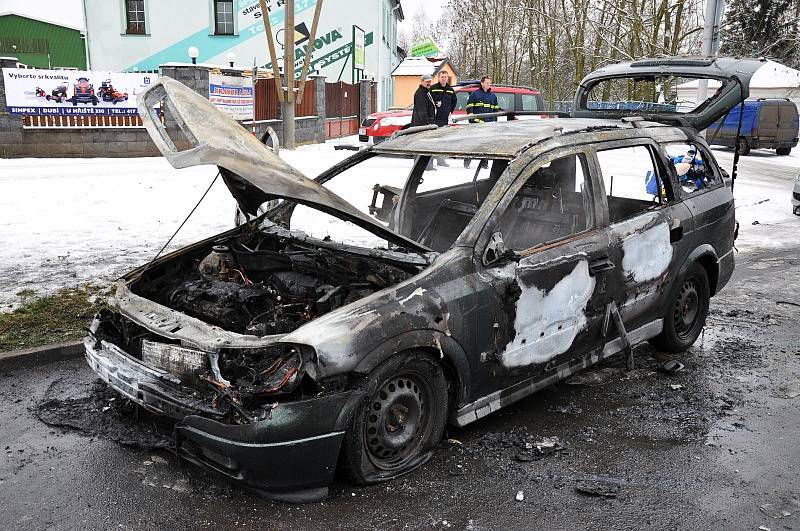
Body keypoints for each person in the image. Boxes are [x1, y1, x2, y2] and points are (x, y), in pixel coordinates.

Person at [463, 75, 500, 168]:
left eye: (489, 83)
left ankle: (484, 163)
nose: (488, 84)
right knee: (472, 144)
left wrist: (495, 123)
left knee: (486, 145)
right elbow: (469, 108)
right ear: (482, 83)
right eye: (487, 83)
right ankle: (467, 162)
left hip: (488, 125)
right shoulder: (475, 94)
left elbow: (495, 111)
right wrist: (471, 121)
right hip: (476, 124)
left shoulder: (493, 96)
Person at [430, 70, 458, 166]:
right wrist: (435, 104)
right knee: (433, 140)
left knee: (442, 140)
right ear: (438, 78)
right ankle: (431, 161)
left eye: (445, 77)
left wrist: (450, 110)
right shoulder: (433, 88)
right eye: (442, 77)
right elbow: (428, 100)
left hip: (445, 118)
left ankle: (441, 160)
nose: (444, 79)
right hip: (434, 118)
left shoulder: (450, 89)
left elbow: (454, 101)